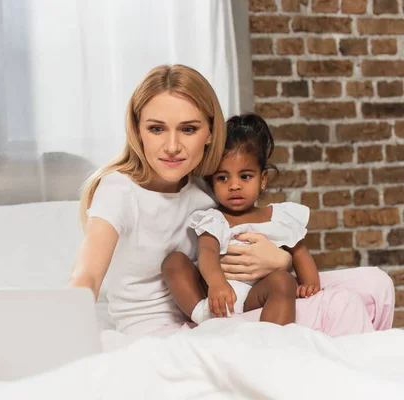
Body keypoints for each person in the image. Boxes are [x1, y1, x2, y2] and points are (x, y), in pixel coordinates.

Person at [68, 64, 395, 337]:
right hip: (167, 327)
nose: (171, 146)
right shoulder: (119, 190)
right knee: (340, 306)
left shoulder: (204, 189)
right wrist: (65, 344)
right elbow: (87, 278)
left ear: (210, 132)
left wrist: (281, 261)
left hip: (230, 299)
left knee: (375, 284)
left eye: (188, 129)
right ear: (137, 130)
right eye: (156, 129)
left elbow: (249, 237)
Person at [163, 114, 320, 327]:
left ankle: (274, 338)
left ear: (262, 179)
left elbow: (299, 252)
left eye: (245, 176)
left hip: (254, 296)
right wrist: (217, 284)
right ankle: (204, 318)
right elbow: (207, 254)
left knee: (284, 281)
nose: (234, 186)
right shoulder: (214, 219)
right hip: (215, 296)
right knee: (174, 262)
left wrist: (310, 283)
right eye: (223, 178)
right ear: (211, 183)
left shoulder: (278, 217)